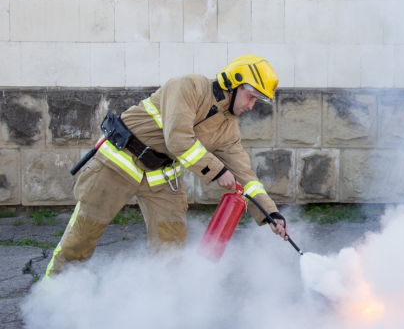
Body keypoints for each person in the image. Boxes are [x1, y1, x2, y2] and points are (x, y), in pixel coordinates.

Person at [44, 55, 288, 280]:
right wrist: (218, 171)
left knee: (171, 247)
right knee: (83, 235)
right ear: (234, 83)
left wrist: (271, 214)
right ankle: (54, 295)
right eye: (252, 97)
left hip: (161, 176)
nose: (251, 106)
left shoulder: (228, 129)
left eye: (257, 100)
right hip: (119, 162)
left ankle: (164, 305)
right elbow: (178, 138)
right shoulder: (189, 87)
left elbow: (245, 176)